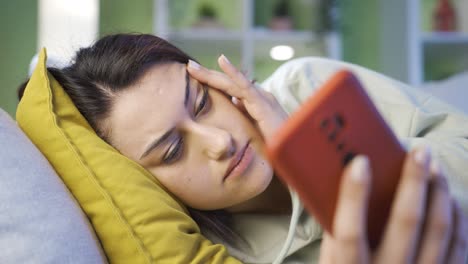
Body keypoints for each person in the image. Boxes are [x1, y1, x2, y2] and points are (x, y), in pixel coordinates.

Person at [18, 33, 468, 263]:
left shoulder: (305, 85)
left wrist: (313, 157)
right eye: (173, 152)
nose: (219, 142)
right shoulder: (224, 252)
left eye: (202, 103)